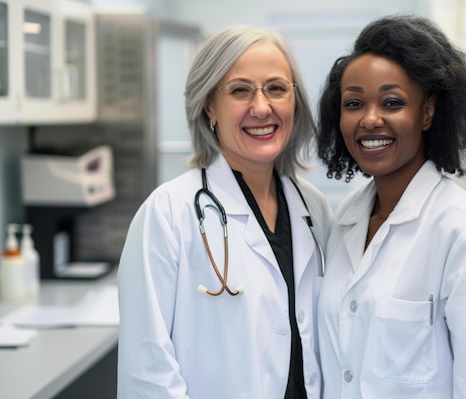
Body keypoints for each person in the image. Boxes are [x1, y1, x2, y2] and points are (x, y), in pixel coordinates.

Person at [117, 25, 332, 399]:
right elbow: (147, 369)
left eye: (277, 88)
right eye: (240, 90)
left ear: (294, 102)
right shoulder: (168, 213)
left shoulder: (313, 207)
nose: (262, 107)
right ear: (209, 106)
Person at [315, 14, 466, 399]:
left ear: (427, 113)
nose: (370, 119)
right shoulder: (346, 219)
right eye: (354, 103)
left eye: (392, 102)